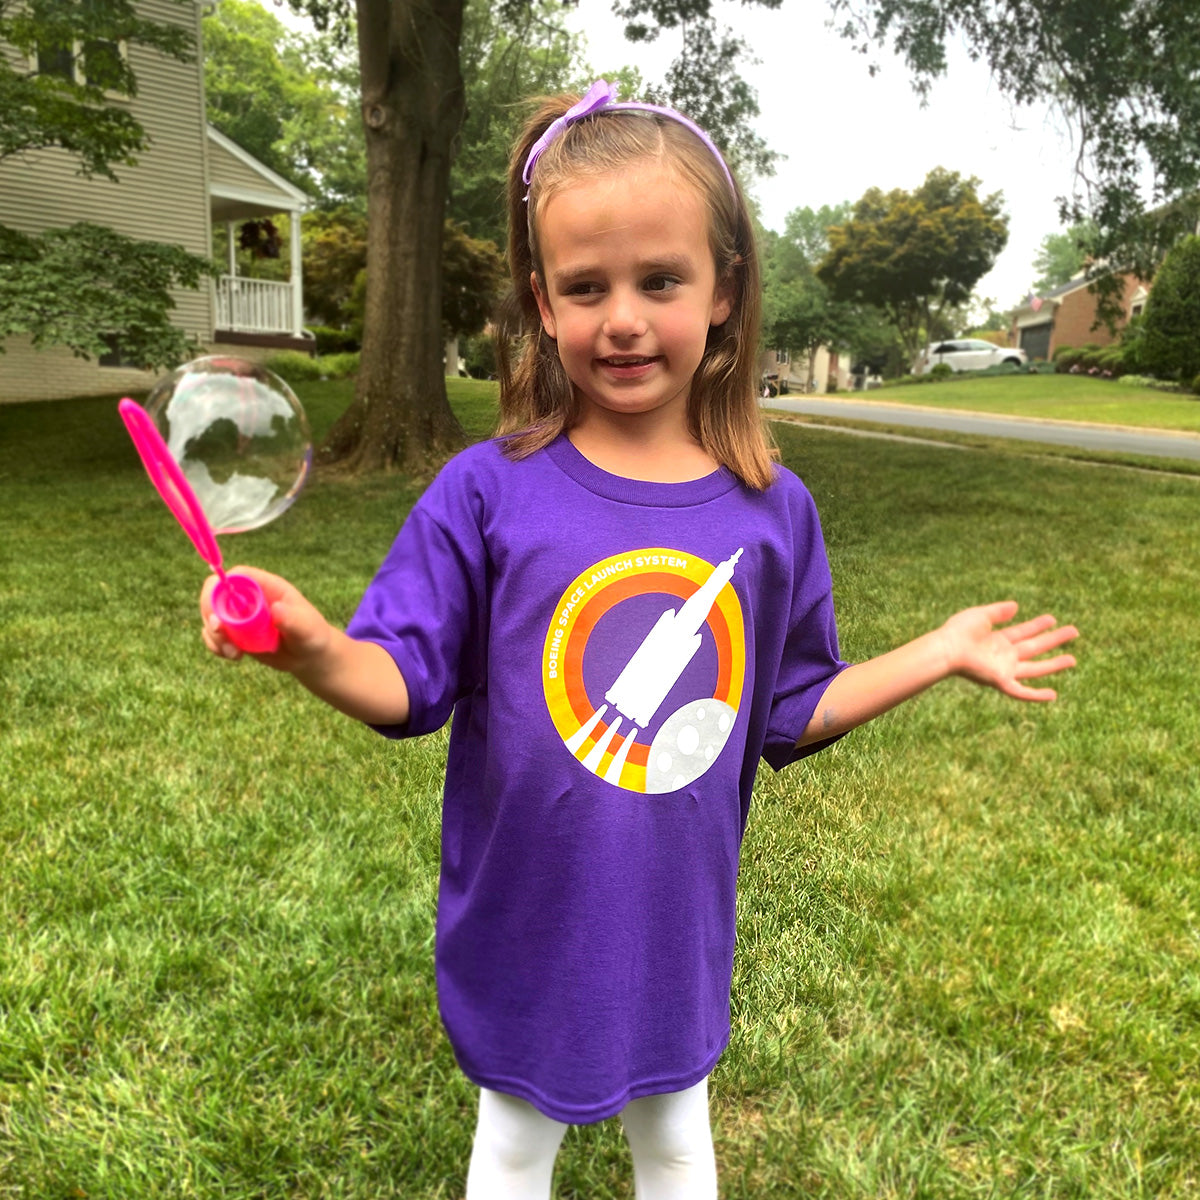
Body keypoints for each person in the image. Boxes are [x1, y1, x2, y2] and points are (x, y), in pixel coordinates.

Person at [200, 82, 1079, 1200]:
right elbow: (402, 683)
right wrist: (312, 647)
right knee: (513, 1147)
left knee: (675, 1142)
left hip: (670, 928)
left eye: (660, 280)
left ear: (726, 290)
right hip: (527, 917)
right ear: (542, 302)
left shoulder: (773, 510)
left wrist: (938, 651)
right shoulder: (486, 492)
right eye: (586, 286)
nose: (622, 318)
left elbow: (789, 709)